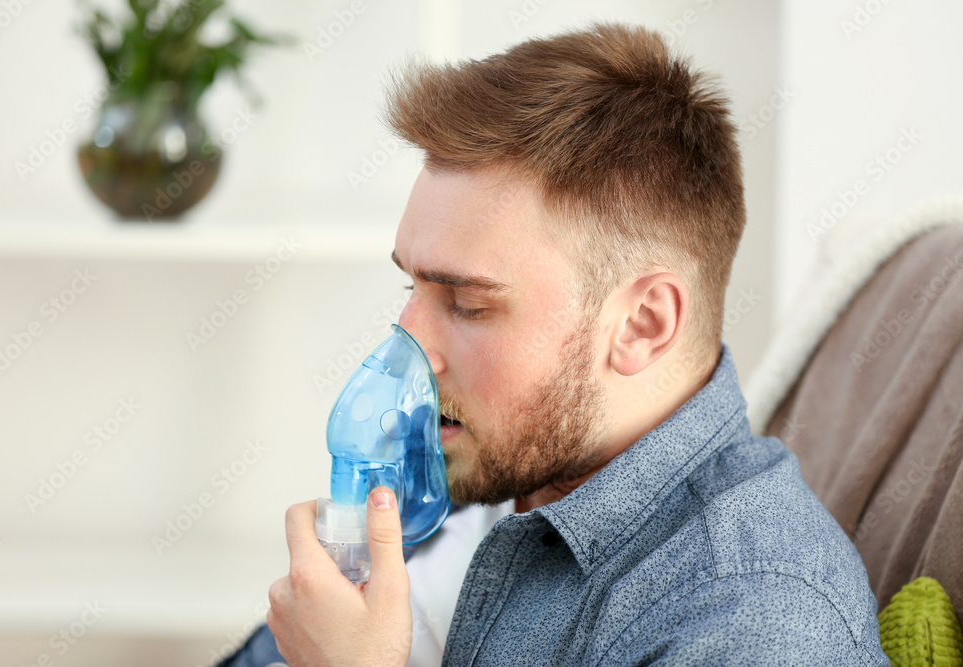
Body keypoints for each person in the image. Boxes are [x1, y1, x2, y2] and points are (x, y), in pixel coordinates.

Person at [221, 22, 890, 666]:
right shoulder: (496, 474)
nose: (411, 349)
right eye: (411, 287)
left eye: (468, 303)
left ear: (642, 324)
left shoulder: (752, 622)